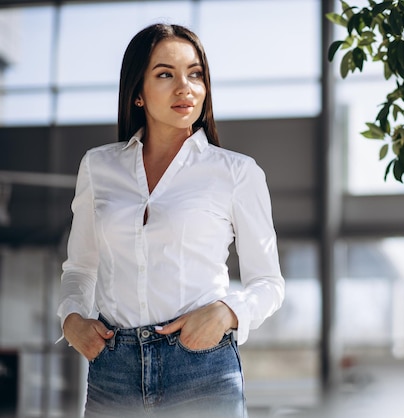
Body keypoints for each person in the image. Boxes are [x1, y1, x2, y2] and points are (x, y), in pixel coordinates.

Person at [57, 23, 285, 418]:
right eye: (166, 74)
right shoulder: (98, 166)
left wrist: (228, 313)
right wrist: (71, 318)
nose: (186, 87)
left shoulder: (236, 173)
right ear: (138, 93)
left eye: (195, 74)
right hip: (113, 370)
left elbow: (268, 283)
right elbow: (80, 267)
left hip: (202, 368)